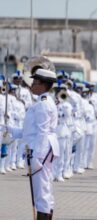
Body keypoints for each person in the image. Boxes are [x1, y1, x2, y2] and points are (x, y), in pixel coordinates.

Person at [7, 68, 59, 219]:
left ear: (43, 85)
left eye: (35, 81)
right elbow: (30, 131)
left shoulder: (43, 104)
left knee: (41, 193)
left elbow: (42, 133)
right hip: (41, 149)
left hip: (40, 151)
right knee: (44, 191)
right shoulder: (42, 101)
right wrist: (10, 129)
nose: (32, 84)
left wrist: (37, 158)